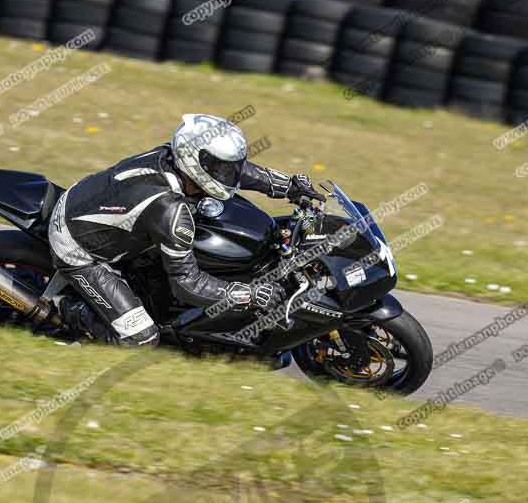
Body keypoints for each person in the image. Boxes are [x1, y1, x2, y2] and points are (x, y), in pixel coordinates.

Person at [49, 113, 325, 346]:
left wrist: (288, 185)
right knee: (142, 338)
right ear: (197, 161)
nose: (229, 174)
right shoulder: (169, 210)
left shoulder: (173, 156)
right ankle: (68, 311)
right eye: (221, 168)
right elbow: (186, 284)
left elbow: (240, 172)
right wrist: (249, 294)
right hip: (77, 248)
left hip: (93, 208)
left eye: (228, 167)